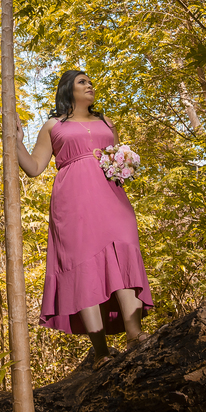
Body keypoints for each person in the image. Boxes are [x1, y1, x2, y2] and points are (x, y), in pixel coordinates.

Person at [13, 70, 153, 366]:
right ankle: (101, 352)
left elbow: (116, 156)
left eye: (90, 82)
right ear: (68, 89)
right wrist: (16, 142)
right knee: (84, 267)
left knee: (123, 252)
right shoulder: (54, 126)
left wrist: (126, 162)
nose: (89, 85)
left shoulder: (106, 123)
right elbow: (35, 167)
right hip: (73, 202)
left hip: (112, 197)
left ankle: (135, 333)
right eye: (82, 82)